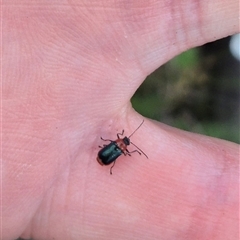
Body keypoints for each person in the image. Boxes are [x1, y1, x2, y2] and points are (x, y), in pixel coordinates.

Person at [3, 1, 239, 239]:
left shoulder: (117, 146)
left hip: (103, 159)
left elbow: (111, 147)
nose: (123, 141)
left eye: (123, 141)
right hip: (103, 159)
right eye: (123, 141)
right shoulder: (118, 146)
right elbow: (111, 147)